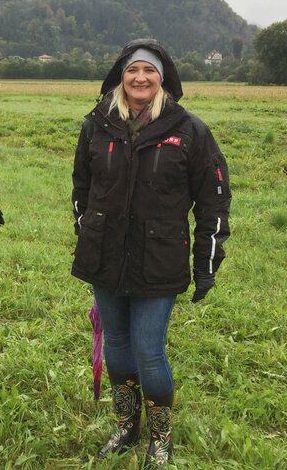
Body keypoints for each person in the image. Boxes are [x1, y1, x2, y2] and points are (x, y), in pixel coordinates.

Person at [71, 39, 231, 467]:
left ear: (163, 78)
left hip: (159, 259)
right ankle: (127, 426)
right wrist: (86, 236)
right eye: (132, 71)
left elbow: (214, 200)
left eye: (149, 71)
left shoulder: (189, 130)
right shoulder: (97, 125)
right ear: (120, 76)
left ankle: (161, 439)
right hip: (105, 257)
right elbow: (81, 192)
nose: (140, 78)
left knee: (148, 349)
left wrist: (206, 263)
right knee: (118, 346)